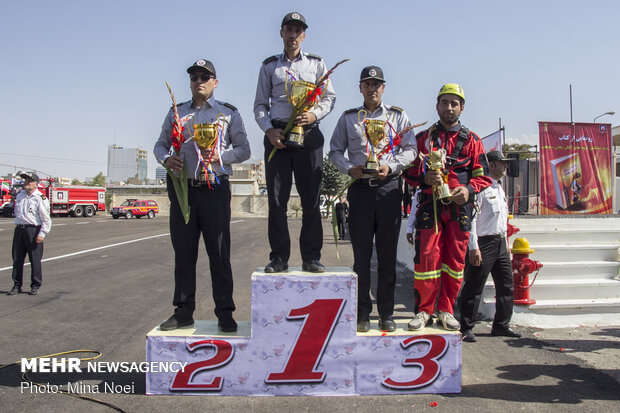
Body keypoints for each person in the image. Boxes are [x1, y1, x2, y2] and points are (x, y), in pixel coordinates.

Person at [154, 59, 251, 332]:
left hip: (215, 188)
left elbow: (244, 149)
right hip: (183, 190)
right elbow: (160, 144)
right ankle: (183, 311)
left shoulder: (228, 113)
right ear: (190, 82)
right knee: (184, 254)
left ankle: (225, 312)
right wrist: (165, 159)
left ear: (215, 82)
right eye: (195, 77)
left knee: (219, 253)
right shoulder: (176, 113)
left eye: (205, 77)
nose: (199, 81)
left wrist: (221, 155)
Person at [329, 66, 416, 332]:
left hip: (389, 189)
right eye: (367, 83)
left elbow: (411, 149)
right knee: (361, 257)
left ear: (384, 87)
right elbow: (334, 151)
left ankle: (386, 313)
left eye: (377, 83)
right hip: (360, 191)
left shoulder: (398, 117)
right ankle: (362, 313)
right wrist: (349, 168)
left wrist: (391, 166)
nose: (372, 88)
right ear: (360, 88)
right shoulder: (348, 118)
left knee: (388, 256)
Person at [403, 83, 492, 331]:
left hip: (459, 209)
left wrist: (468, 189)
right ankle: (424, 311)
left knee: (454, 263)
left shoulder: (473, 141)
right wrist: (423, 179)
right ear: (437, 106)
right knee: (427, 260)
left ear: (462, 108)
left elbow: (483, 176)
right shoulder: (423, 139)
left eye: (454, 103)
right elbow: (407, 173)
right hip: (429, 207)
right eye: (445, 102)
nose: (449, 107)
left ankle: (446, 310)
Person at [254, 11, 336, 274]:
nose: (293, 34)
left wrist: (313, 114)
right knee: (277, 202)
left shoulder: (317, 64)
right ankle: (279, 257)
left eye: (298, 30)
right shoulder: (269, 67)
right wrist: (269, 131)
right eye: (289, 29)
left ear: (304, 35)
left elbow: (329, 98)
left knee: (311, 199)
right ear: (281, 33)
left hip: (308, 134)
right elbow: (259, 105)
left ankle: (311, 257)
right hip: (277, 138)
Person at [459, 150, 522, 342]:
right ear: (492, 165)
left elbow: (502, 220)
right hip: (483, 242)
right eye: (502, 163)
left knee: (506, 285)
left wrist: (506, 243)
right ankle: (466, 327)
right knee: (474, 286)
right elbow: (472, 219)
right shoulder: (479, 188)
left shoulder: (499, 187)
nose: (505, 167)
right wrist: (473, 247)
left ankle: (501, 325)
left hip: (500, 241)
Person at [7, 173, 51, 296]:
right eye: (25, 180)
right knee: (17, 259)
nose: (26, 182)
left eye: (29, 181)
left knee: (35, 260)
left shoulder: (40, 198)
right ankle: (16, 285)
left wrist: (42, 233)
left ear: (36, 183)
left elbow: (46, 219)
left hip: (33, 231)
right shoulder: (20, 196)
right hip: (19, 230)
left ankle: (35, 285)